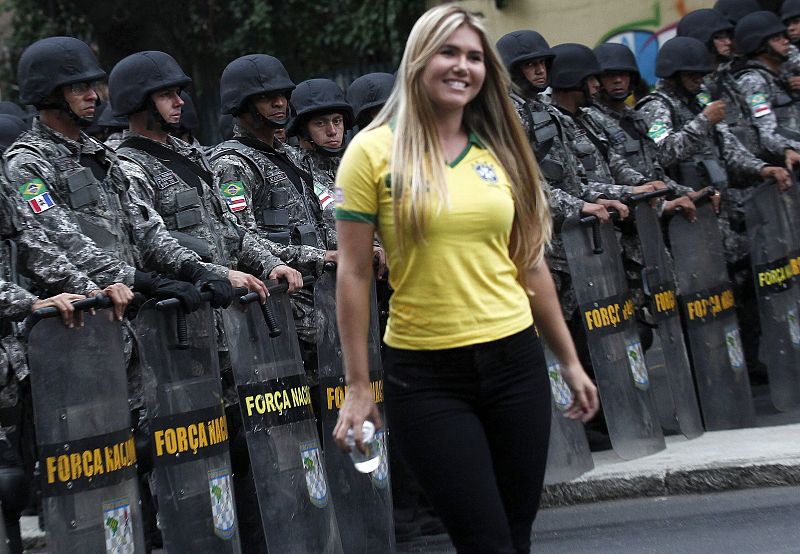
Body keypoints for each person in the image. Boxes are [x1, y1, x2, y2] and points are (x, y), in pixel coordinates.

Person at [332, 6, 598, 553]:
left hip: (515, 365)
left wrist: (568, 362)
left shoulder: (502, 149)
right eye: (448, 52)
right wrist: (358, 385)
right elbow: (354, 272)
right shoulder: (372, 151)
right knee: (485, 541)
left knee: (516, 536)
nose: (462, 66)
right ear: (418, 60)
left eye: (474, 56)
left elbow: (529, 264)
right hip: (426, 376)